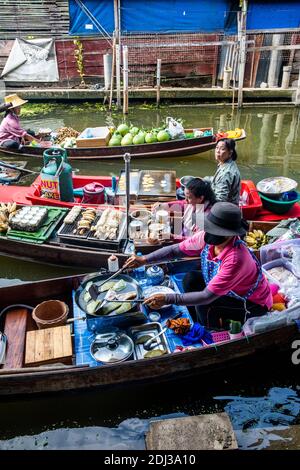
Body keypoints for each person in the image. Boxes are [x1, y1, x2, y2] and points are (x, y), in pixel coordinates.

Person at [124, 202, 272, 329]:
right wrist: (144, 259)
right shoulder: (206, 237)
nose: (209, 233)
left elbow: (206, 296)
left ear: (230, 234)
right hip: (227, 290)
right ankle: (195, 319)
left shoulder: (235, 258)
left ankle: (209, 331)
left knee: (205, 304)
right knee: (190, 279)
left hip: (250, 303)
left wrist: (168, 299)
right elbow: (176, 250)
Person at [204, 138, 241, 205]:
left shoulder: (226, 173)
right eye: (217, 147)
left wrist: (204, 196)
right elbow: (218, 180)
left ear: (230, 153)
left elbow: (220, 200)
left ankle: (197, 215)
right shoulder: (227, 163)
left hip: (225, 209)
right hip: (228, 203)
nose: (218, 151)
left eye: (222, 149)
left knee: (196, 202)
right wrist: (204, 179)